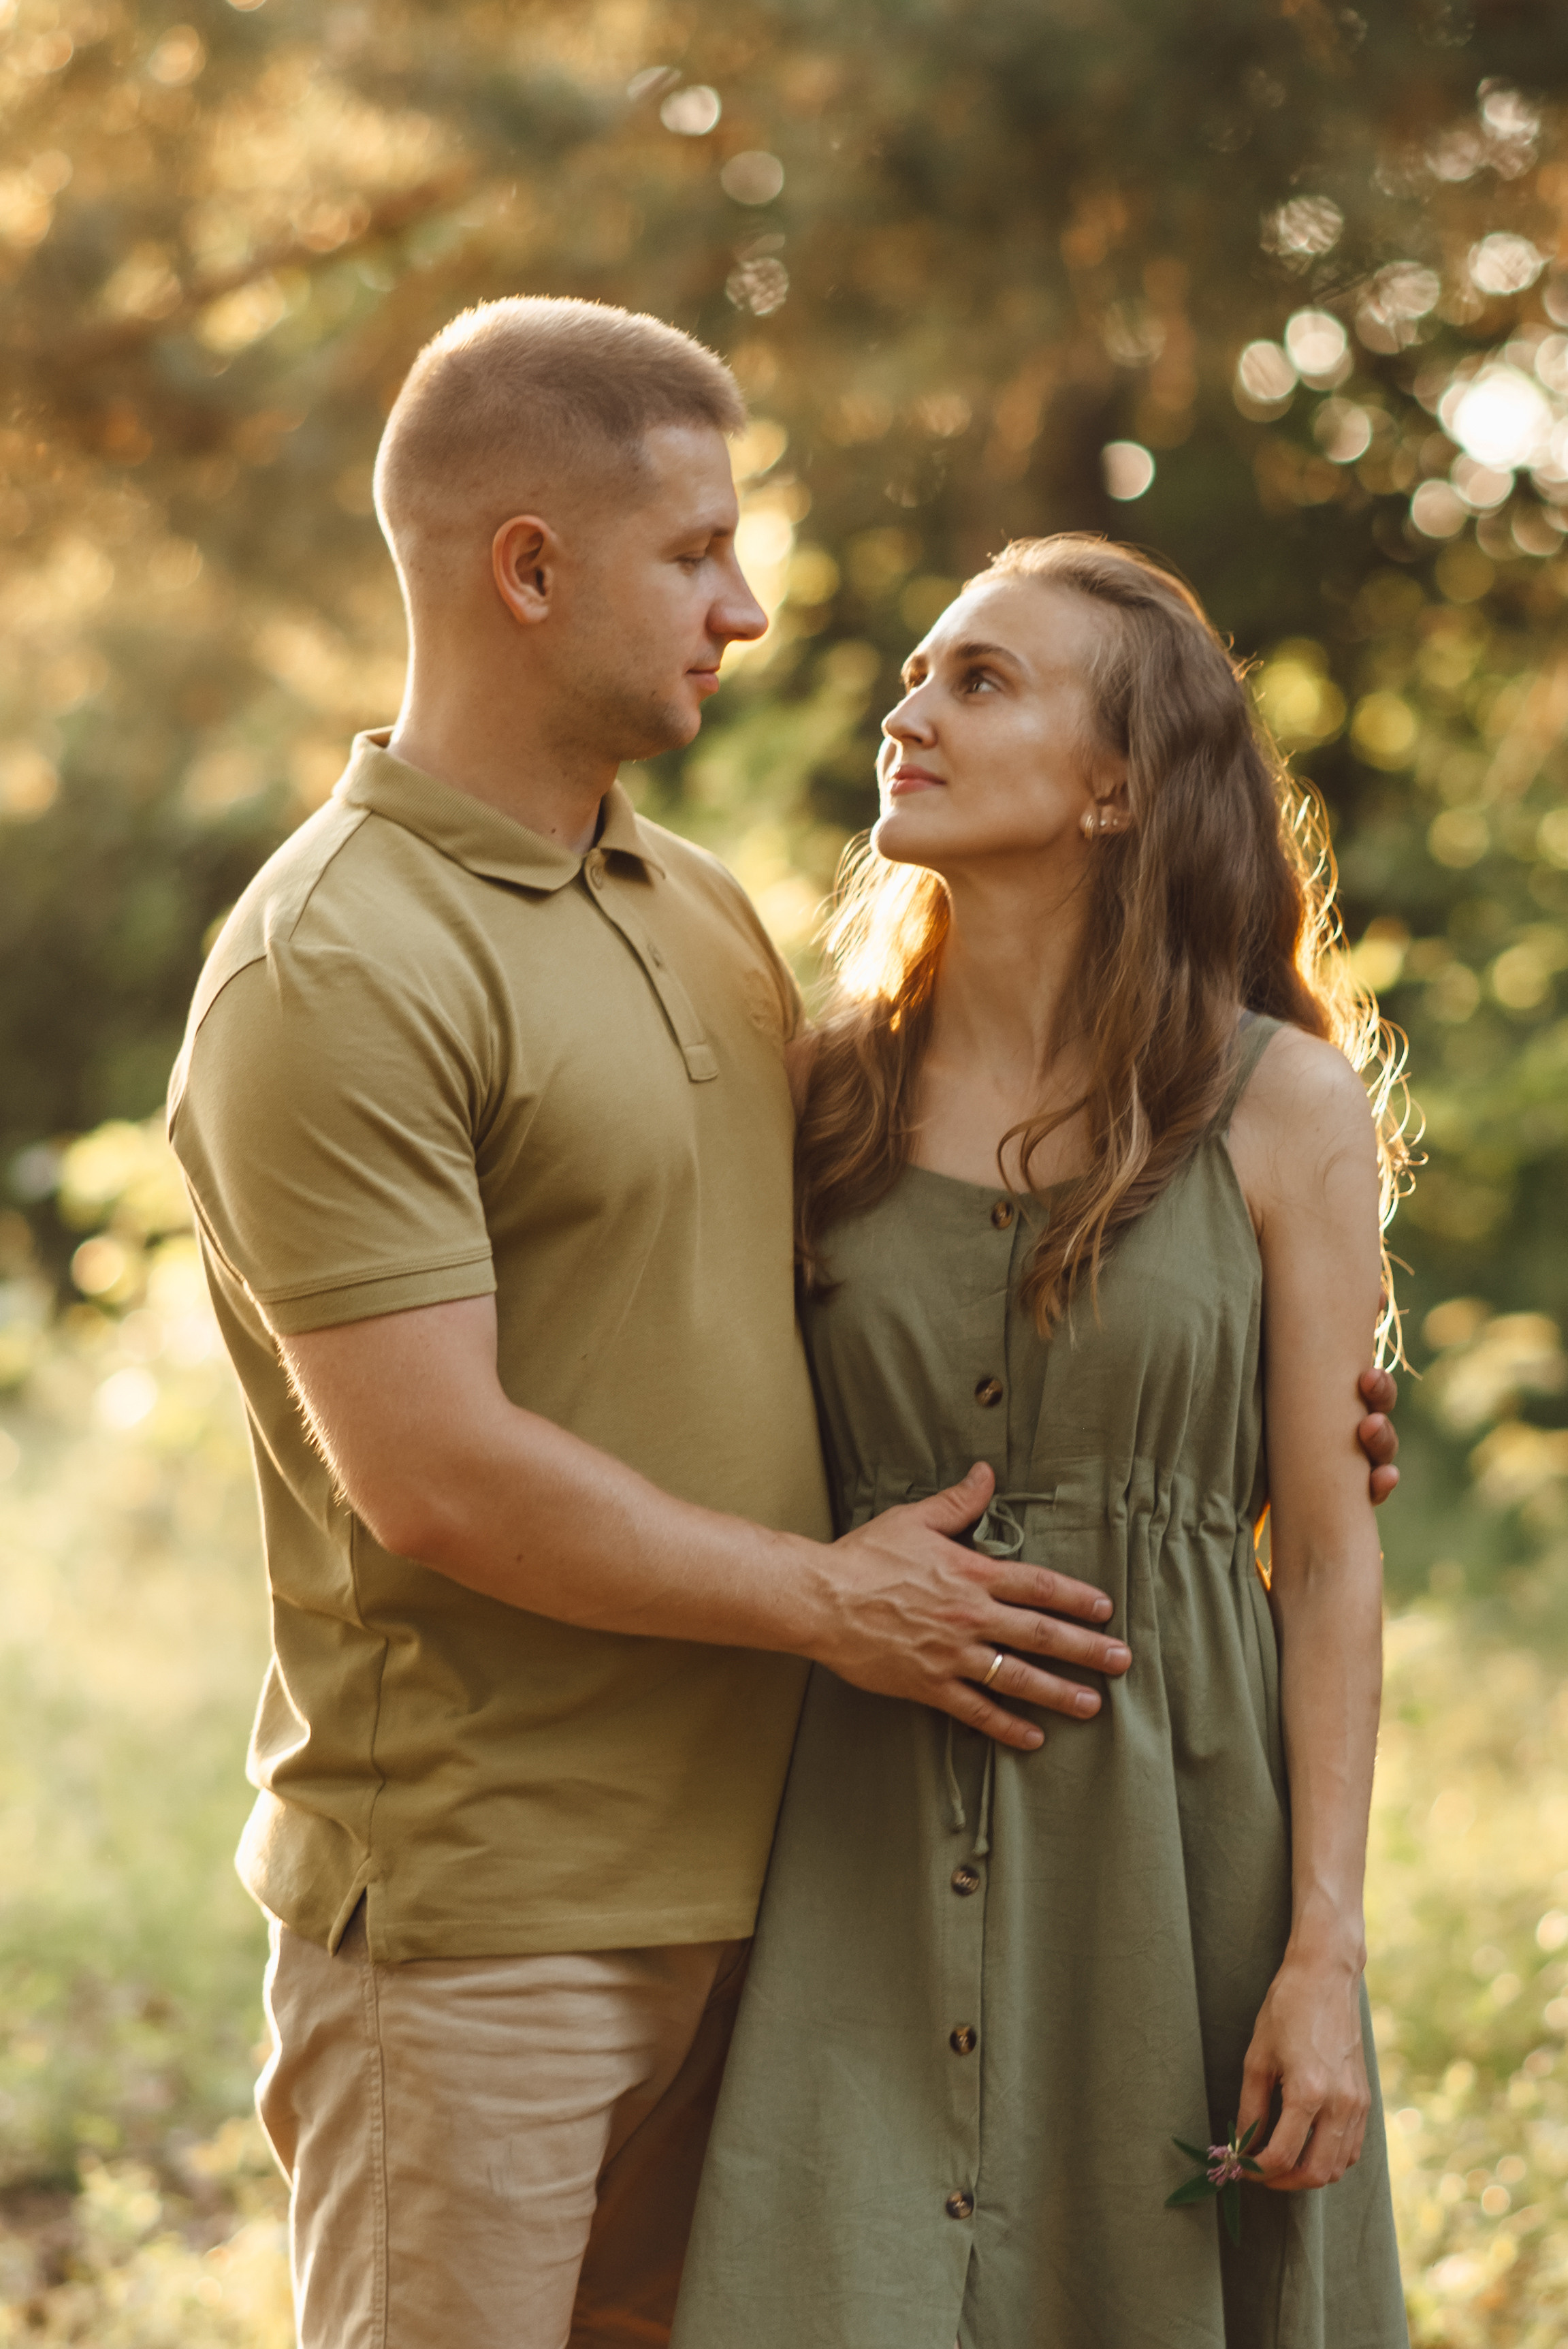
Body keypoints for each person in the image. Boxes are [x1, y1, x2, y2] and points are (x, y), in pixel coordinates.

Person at [168, 300, 1398, 2348]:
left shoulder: (703, 927)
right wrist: (840, 1603)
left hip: (785, 1896)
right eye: (696, 555)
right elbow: (436, 1472)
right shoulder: (340, 959)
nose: (749, 613)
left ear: (1122, 786)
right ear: (529, 569)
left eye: (974, 674)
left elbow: (888, 1341)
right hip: (504, 1908)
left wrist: (1241, 1418)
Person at [671, 537, 1411, 2349]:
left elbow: (1328, 1556)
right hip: (849, 1867)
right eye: (917, 674)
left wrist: (1323, 1947)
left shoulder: (1282, 1106)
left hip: (1183, 1873)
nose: (908, 713)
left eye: (981, 680)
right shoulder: (814, 1097)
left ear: (1119, 788)